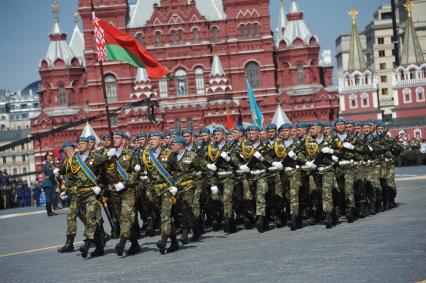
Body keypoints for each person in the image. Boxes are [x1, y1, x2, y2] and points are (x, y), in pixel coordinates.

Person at [43, 152, 58, 216]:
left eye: (52, 155)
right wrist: (56, 173)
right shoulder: (48, 165)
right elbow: (50, 174)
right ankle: (49, 212)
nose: (51, 156)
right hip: (48, 183)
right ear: (47, 157)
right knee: (48, 198)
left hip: (49, 183)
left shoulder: (50, 164)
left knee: (50, 197)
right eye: (50, 155)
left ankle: (50, 211)